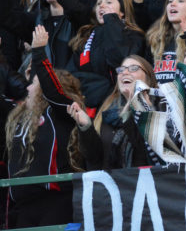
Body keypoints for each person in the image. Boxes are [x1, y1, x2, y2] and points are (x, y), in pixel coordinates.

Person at [7, 25, 85, 227]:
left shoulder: (62, 112)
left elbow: (53, 92)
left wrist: (39, 52)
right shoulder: (18, 116)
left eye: (34, 83)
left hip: (55, 202)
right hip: (22, 205)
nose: (28, 87)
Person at [74, 55, 158, 169]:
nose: (125, 72)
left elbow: (147, 151)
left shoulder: (159, 107)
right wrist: (86, 127)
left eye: (133, 68)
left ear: (148, 78)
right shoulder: (108, 109)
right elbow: (95, 158)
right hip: (112, 184)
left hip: (142, 183)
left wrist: (134, 110)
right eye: (121, 69)